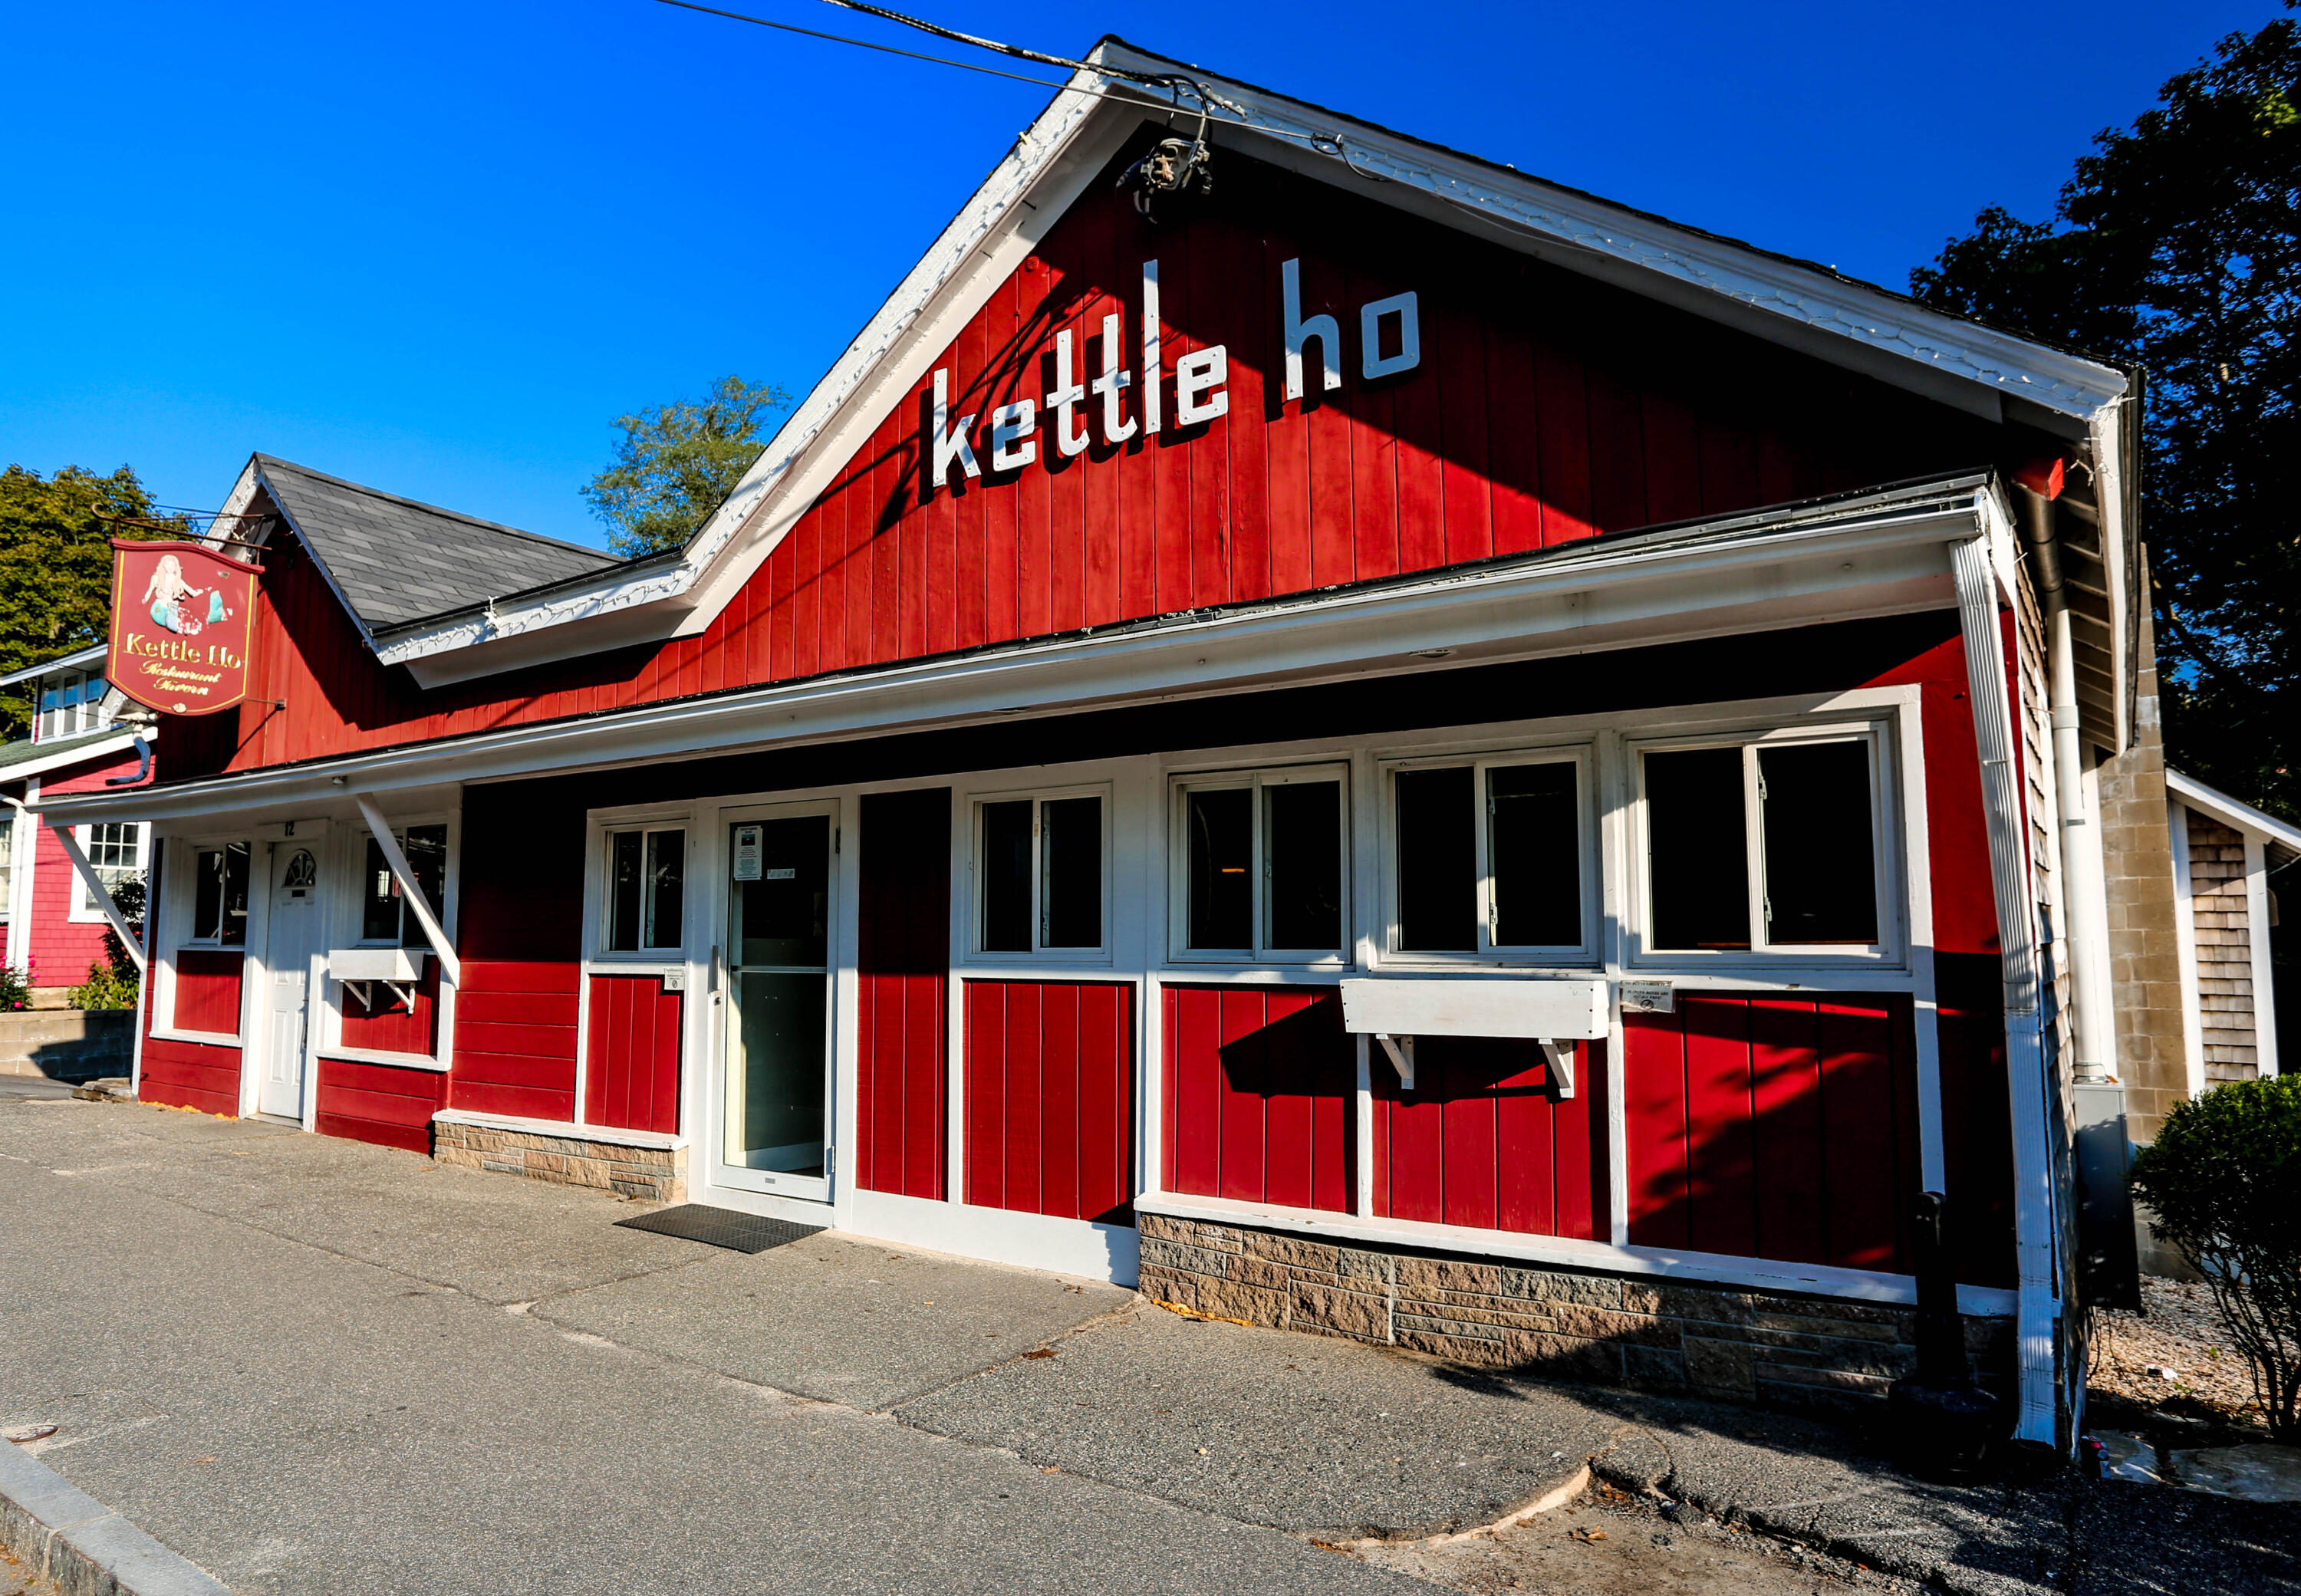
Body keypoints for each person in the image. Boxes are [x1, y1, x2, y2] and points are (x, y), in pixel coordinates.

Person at [142, 554, 207, 636]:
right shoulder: (156, 578)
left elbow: (191, 592)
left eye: (172, 564)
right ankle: (184, 626)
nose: (170, 567)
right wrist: (144, 599)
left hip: (171, 607)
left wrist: (201, 592)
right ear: (163, 565)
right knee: (172, 621)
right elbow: (150, 590)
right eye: (167, 564)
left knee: (178, 616)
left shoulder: (177, 580)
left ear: (176, 566)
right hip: (159, 608)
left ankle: (186, 626)